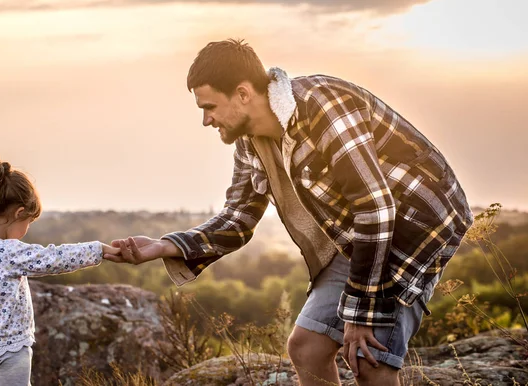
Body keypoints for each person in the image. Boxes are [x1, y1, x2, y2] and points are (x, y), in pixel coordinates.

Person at [112, 39, 474, 385]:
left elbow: (376, 208)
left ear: (242, 93)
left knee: (369, 359)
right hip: (355, 235)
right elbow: (237, 219)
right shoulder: (250, 143)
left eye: (209, 107)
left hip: (413, 227)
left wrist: (362, 315)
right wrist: (163, 246)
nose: (207, 120)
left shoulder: (321, 105)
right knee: (307, 347)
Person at [0, 158, 122, 386]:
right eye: (29, 222)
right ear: (19, 213)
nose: (26, 230)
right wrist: (98, 250)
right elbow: (53, 258)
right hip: (12, 350)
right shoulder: (7, 251)